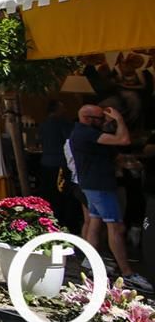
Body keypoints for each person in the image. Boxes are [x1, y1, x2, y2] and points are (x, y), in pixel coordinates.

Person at [71, 104, 152, 291]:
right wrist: (119, 119)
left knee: (95, 223)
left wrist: (132, 165)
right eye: (101, 118)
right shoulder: (86, 133)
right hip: (100, 186)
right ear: (87, 118)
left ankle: (90, 262)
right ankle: (128, 273)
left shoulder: (90, 135)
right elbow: (123, 139)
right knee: (116, 227)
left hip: (93, 185)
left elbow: (115, 156)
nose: (105, 122)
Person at [37, 101, 73, 218]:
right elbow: (70, 141)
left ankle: (47, 216)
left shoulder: (43, 124)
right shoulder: (62, 123)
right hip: (59, 162)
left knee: (48, 191)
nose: (65, 111)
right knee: (60, 192)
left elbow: (40, 141)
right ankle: (60, 217)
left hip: (45, 161)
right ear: (56, 109)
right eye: (62, 108)